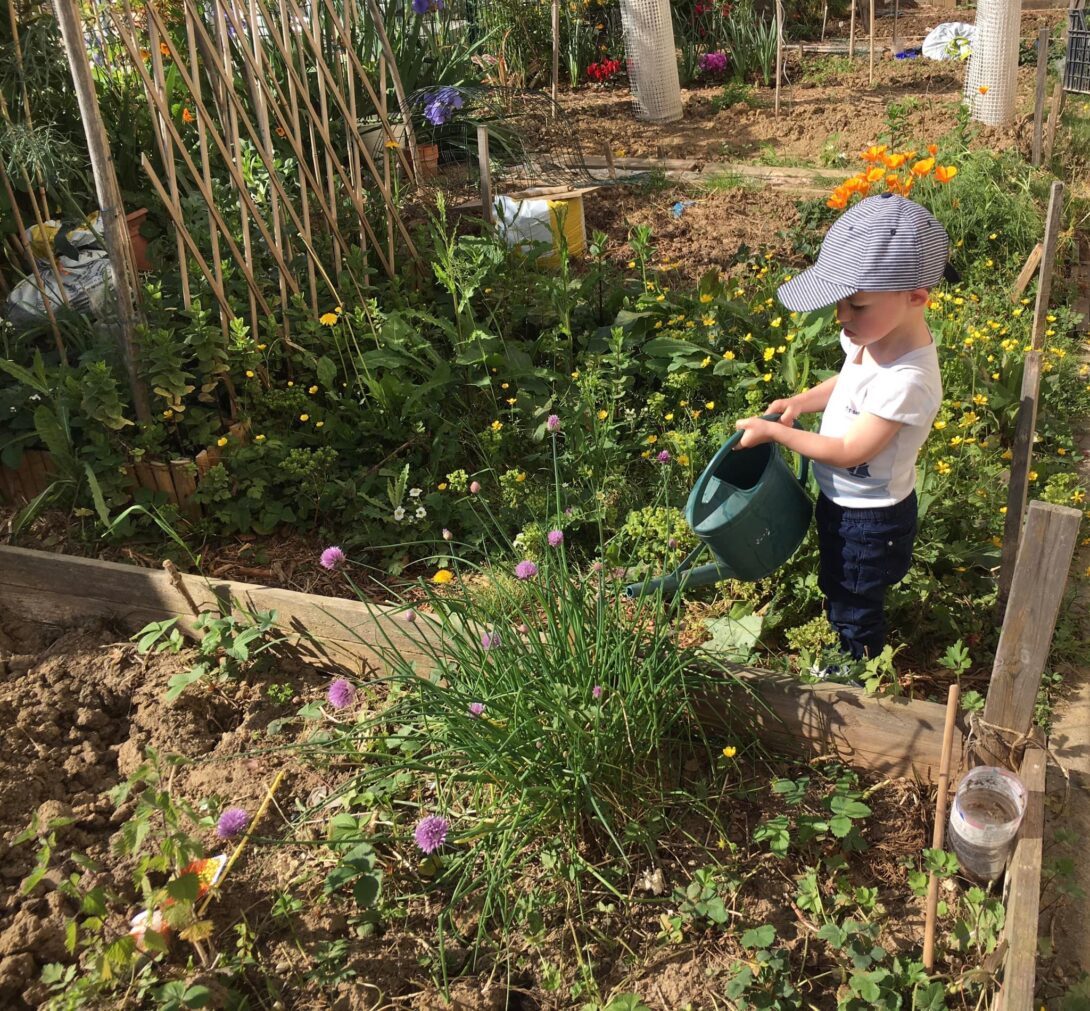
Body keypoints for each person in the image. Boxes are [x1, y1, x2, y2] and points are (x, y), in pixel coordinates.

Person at [735, 193, 949, 665]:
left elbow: (852, 450)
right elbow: (846, 381)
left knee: (856, 600)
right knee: (840, 579)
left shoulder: (908, 381)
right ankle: (846, 630)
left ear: (916, 297)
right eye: (840, 304)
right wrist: (799, 402)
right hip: (844, 505)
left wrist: (777, 434)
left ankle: (860, 664)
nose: (842, 318)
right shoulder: (873, 335)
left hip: (872, 521)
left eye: (857, 305)